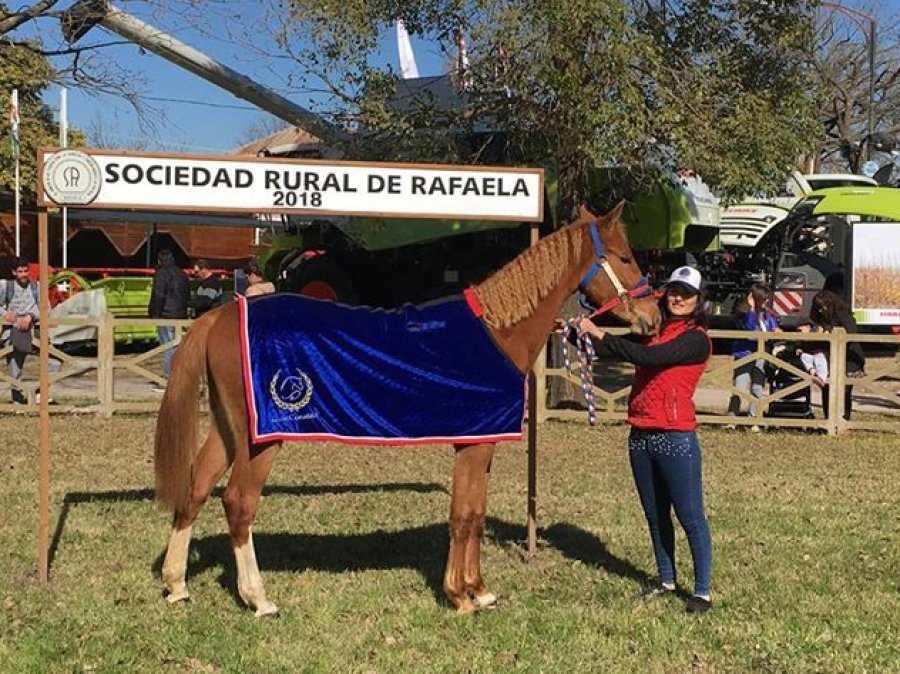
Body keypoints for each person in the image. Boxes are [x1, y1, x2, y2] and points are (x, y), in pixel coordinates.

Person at [574, 265, 714, 614]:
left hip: (675, 437)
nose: (678, 298)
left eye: (686, 293)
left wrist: (600, 334)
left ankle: (702, 592)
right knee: (655, 515)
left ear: (699, 300)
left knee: (690, 516)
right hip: (640, 434)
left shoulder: (695, 339)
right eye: (673, 291)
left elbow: (649, 358)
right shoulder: (653, 330)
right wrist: (581, 331)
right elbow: (618, 349)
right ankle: (666, 579)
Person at [802, 290, 865, 420]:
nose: (820, 310)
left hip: (848, 359)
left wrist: (828, 332)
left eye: (822, 307)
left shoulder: (843, 313)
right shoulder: (819, 316)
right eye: (818, 308)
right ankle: (829, 420)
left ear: (829, 304)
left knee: (845, 391)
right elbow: (813, 326)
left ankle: (843, 420)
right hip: (828, 358)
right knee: (826, 388)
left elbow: (850, 332)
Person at [726, 284, 779, 430]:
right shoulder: (743, 312)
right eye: (764, 298)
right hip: (744, 354)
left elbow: (772, 326)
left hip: (761, 354)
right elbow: (749, 327)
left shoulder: (768, 314)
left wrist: (776, 329)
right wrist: (751, 308)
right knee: (739, 387)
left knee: (757, 387)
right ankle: (732, 419)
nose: (767, 301)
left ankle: (754, 418)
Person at [148, 249, 189, 389]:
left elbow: (159, 295)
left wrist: (155, 314)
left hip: (166, 315)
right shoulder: (183, 274)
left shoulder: (161, 274)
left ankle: (167, 379)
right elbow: (186, 296)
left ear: (159, 260)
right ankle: (179, 377)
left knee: (168, 347)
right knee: (176, 347)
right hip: (180, 315)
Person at [1, 256, 39, 403]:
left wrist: (30, 315)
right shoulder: (6, 287)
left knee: (53, 361)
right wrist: (5, 313)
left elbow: (44, 306)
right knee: (15, 365)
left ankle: (40, 394)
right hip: (13, 330)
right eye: (20, 271)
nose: (24, 274)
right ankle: (17, 399)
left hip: (33, 329)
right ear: (13, 272)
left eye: (25, 271)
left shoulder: (36, 286)